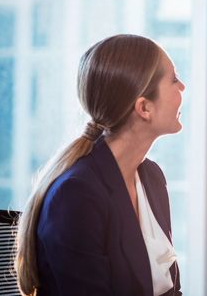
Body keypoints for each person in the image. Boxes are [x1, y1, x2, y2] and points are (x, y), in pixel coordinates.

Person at [14, 34, 185, 296]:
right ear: (144, 108)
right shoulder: (76, 196)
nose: (182, 87)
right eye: (173, 79)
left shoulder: (151, 177)